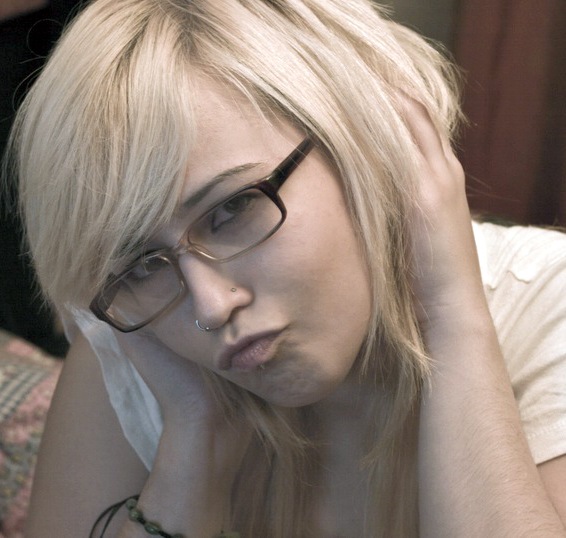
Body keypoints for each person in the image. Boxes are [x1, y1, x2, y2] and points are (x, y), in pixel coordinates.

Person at [4, 0, 566, 536]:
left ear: (369, 140)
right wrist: (194, 445)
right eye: (142, 266)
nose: (210, 307)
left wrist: (451, 318)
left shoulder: (548, 307)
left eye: (233, 209)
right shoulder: (136, 346)